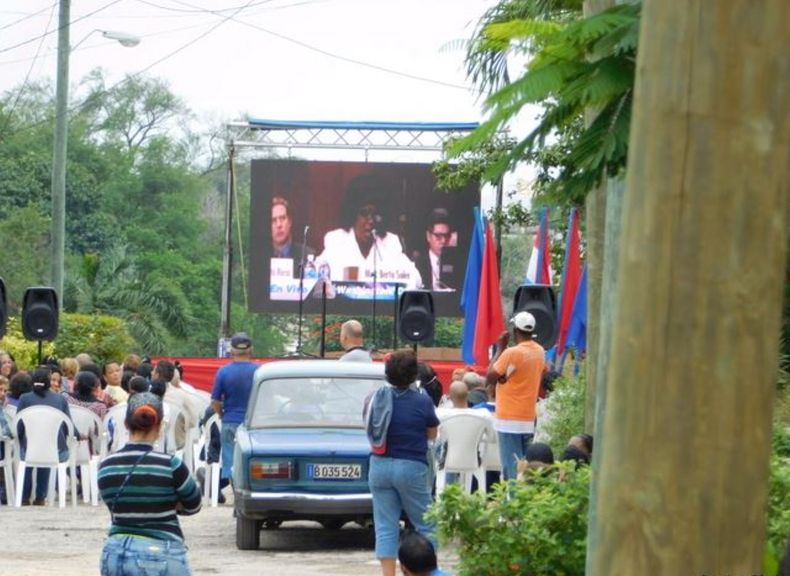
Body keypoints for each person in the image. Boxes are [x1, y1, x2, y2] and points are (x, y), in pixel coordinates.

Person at [97, 392, 201, 575]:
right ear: (160, 425)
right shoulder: (171, 465)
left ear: (126, 424)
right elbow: (194, 505)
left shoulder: (106, 467)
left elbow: (118, 506)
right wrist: (170, 503)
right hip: (160, 552)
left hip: (114, 552)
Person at [367, 350, 439, 576]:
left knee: (386, 526)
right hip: (411, 466)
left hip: (379, 465)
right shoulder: (422, 400)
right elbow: (432, 434)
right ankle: (426, 572)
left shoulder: (375, 398)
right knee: (426, 524)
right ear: (413, 375)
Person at [318, 173, 421, 288]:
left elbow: (416, 279)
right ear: (352, 214)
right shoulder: (336, 240)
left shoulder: (390, 242)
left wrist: (388, 278)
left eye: (375, 214)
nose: (371, 220)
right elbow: (316, 276)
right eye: (364, 213)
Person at [486, 311, 545, 481]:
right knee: (526, 467)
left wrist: (500, 348)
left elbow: (489, 377)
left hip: (508, 419)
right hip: (528, 416)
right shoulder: (540, 351)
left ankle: (513, 503)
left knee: (511, 468)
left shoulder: (511, 353)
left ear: (514, 330)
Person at [210, 332, 259, 500]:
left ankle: (225, 489)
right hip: (253, 425)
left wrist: (223, 414)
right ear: (251, 350)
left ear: (232, 350)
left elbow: (215, 401)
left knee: (230, 462)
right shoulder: (259, 371)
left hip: (230, 421)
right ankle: (245, 495)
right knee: (251, 462)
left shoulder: (223, 372)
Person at [16, 366, 74, 506]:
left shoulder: (24, 399)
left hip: (28, 451)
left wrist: (23, 440)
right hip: (56, 452)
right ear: (49, 381)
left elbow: (18, 427)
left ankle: (24, 497)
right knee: (49, 446)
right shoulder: (60, 400)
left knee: (32, 448)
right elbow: (68, 426)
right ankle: (40, 497)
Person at [414, 208, 458, 292]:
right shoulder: (418, 263)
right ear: (428, 236)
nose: (443, 241)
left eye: (446, 236)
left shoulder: (456, 263)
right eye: (438, 236)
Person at [271, 196, 314, 264]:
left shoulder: (307, 255)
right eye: (273, 220)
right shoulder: (260, 256)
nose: (279, 225)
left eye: (282, 218)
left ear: (290, 222)